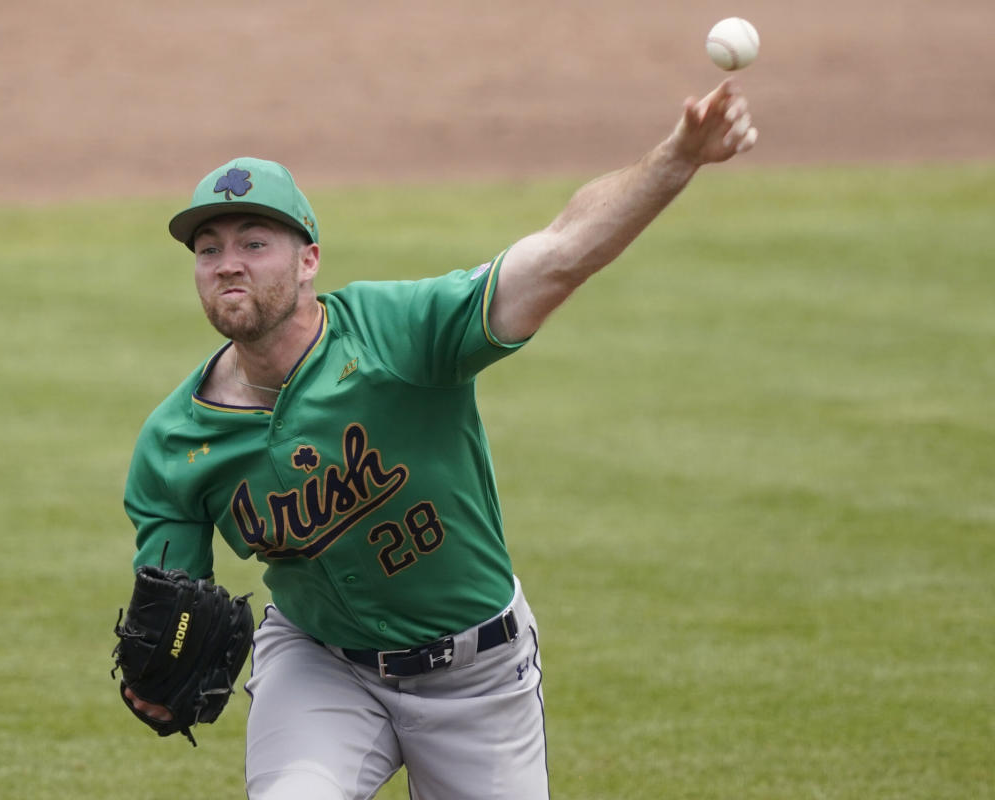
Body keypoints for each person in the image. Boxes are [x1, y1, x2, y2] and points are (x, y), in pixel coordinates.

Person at [120, 78, 758, 799]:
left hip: (478, 680)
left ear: (308, 261)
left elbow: (559, 253)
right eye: (208, 248)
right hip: (319, 663)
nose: (228, 261)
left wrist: (678, 158)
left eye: (254, 242)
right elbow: (172, 599)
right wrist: (160, 671)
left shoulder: (399, 333)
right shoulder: (175, 442)